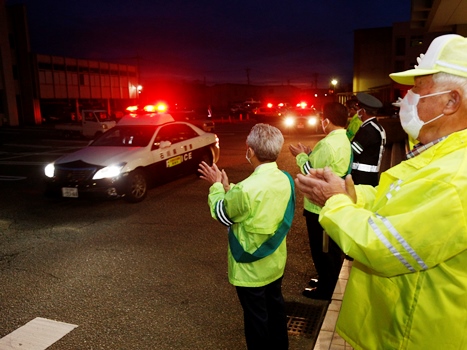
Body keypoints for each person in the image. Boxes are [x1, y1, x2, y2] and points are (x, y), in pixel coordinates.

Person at [294, 34, 467, 349]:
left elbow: (383, 247)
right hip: (400, 327)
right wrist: (351, 195)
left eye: (418, 89)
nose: (407, 98)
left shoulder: (456, 176)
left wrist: (333, 202)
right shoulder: (439, 155)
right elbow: (395, 200)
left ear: (451, 101)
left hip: (413, 336)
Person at [198, 123, 295, 350]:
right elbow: (254, 203)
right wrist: (227, 187)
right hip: (274, 262)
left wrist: (215, 188)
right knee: (276, 308)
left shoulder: (246, 188)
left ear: (250, 150)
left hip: (250, 269)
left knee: (256, 318)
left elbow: (223, 214)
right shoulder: (286, 179)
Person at [289, 102, 352, 300]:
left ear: (326, 121)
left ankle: (326, 288)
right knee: (330, 247)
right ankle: (327, 279)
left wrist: (300, 157)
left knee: (322, 248)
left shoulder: (327, 144)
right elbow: (324, 165)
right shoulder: (344, 139)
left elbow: (311, 173)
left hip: (319, 204)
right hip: (334, 199)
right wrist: (309, 154)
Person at [350, 92, 386, 186]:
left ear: (363, 111)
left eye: (359, 110)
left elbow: (353, 151)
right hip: (371, 176)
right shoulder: (377, 127)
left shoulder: (367, 130)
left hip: (361, 178)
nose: (358, 112)